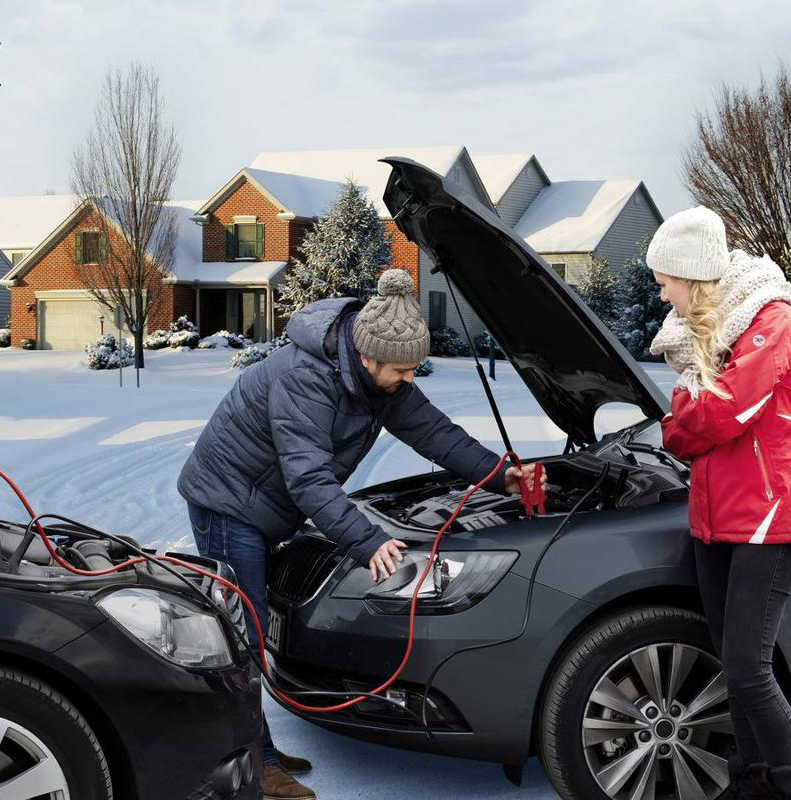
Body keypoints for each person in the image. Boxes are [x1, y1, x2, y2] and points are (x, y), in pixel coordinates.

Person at [178, 269, 540, 800]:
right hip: (228, 504)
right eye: (402, 370)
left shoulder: (378, 378)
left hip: (264, 505)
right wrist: (367, 541)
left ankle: (259, 749)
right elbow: (308, 479)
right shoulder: (308, 377)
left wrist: (498, 474)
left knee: (254, 627)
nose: (409, 380)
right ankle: (255, 767)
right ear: (367, 358)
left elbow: (435, 432)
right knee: (243, 637)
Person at [649, 206, 791, 800]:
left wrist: (684, 420)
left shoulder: (772, 322)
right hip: (716, 519)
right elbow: (688, 419)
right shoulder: (709, 333)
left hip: (769, 519)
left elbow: (719, 413)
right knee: (737, 669)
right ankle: (752, 786)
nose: (660, 289)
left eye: (665, 278)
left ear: (692, 275)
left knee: (750, 671)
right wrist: (686, 419)